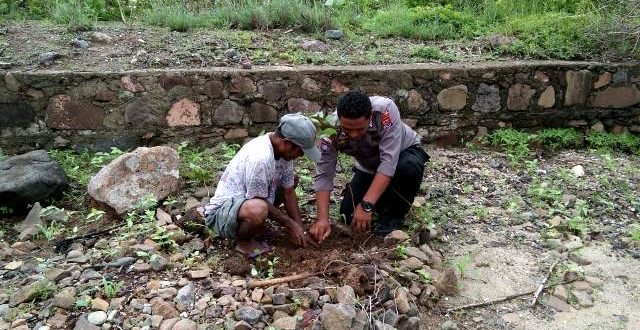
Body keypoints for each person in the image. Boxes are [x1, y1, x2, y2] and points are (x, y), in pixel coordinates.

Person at [309, 90, 429, 243]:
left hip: (402, 155)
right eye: (347, 129)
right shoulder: (330, 130)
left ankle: (394, 215)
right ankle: (384, 196)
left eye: (359, 129)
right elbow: (324, 175)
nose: (353, 135)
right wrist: (322, 219)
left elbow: (388, 162)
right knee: (348, 214)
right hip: (369, 166)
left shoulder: (385, 111)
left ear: (370, 116)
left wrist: (366, 205)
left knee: (408, 167)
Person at [203, 113, 320, 257]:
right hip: (223, 213)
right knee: (259, 209)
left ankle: (258, 226)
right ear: (286, 142)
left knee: (291, 181)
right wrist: (290, 224)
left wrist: (300, 229)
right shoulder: (260, 157)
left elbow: (288, 192)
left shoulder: (285, 154)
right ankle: (243, 241)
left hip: (249, 202)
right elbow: (259, 201)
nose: (301, 155)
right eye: (300, 151)